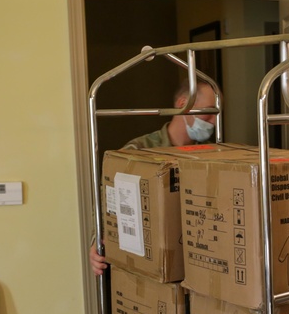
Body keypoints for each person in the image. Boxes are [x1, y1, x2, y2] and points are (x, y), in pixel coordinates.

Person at [88, 79, 218, 276]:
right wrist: (96, 242)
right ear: (183, 104)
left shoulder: (214, 155)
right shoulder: (141, 151)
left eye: (217, 114)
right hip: (150, 261)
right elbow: (110, 200)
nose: (214, 122)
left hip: (197, 259)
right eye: (209, 112)